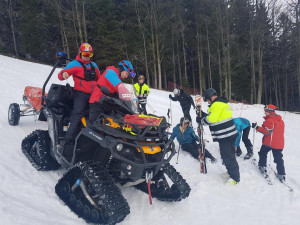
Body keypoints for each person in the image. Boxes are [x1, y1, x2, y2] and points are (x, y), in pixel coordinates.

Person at [58, 43, 101, 147]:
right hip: (80, 93)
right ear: (80, 53)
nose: (87, 56)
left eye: (89, 54)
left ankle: (95, 139)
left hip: (93, 94)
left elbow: (100, 79)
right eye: (85, 54)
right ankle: (69, 138)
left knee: (98, 113)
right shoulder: (75, 64)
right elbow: (61, 75)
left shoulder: (94, 65)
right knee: (78, 113)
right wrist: (63, 74)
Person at [196, 88, 239, 184]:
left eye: (207, 99)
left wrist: (201, 121)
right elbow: (216, 117)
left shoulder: (216, 105)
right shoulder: (221, 103)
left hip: (226, 135)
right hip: (228, 134)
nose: (207, 101)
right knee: (229, 155)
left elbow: (211, 120)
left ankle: (235, 178)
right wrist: (204, 115)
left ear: (211, 97)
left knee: (228, 156)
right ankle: (231, 172)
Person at [252, 104, 286, 182]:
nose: (264, 112)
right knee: (279, 159)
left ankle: (262, 166)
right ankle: (281, 174)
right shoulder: (281, 120)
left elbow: (266, 132)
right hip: (279, 143)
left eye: (265, 111)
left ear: (269, 111)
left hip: (269, 143)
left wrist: (257, 127)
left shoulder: (269, 120)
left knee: (262, 153)